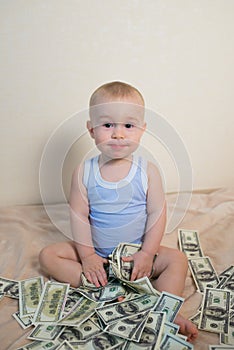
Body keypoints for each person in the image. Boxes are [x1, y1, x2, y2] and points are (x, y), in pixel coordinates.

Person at [39, 81, 198, 342]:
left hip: (136, 255)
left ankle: (168, 308)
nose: (118, 134)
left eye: (128, 125)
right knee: (48, 255)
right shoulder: (84, 172)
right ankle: (106, 291)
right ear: (91, 130)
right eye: (107, 125)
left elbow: (157, 213)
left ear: (142, 130)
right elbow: (79, 215)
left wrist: (147, 253)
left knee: (177, 259)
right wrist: (88, 255)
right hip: (99, 255)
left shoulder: (147, 172)